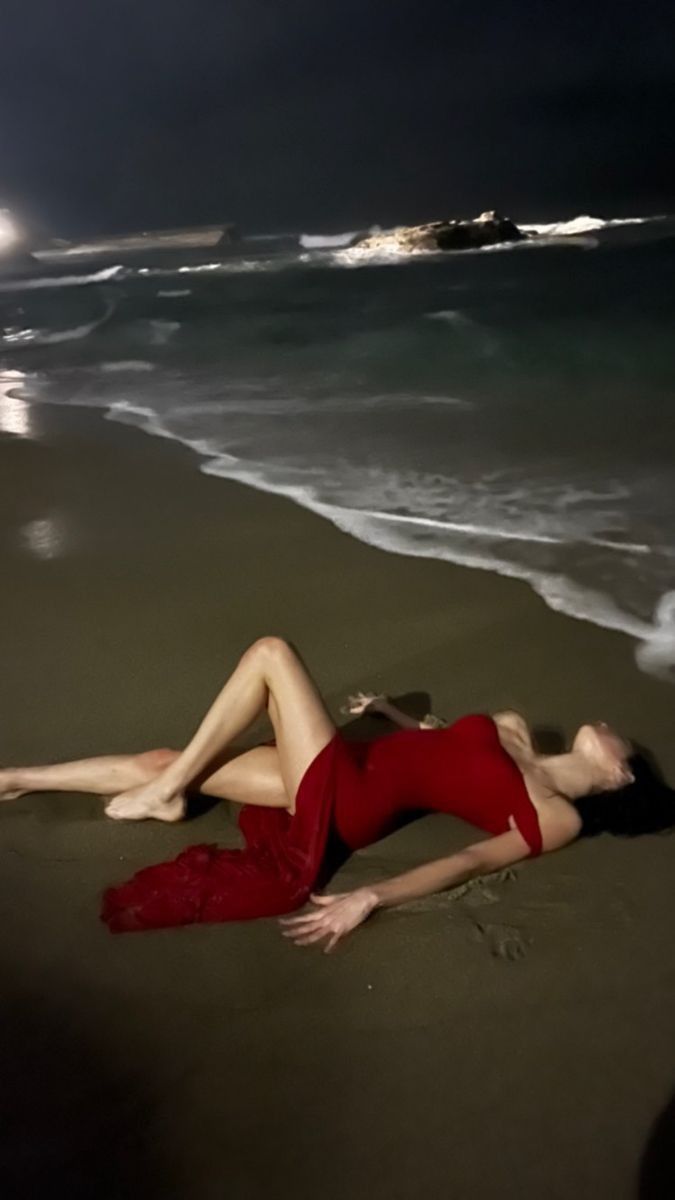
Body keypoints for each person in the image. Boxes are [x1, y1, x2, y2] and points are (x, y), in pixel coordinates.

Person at [0, 636, 668, 947]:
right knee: (165, 757)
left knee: (270, 654)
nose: (611, 729)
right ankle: (17, 779)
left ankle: (170, 792)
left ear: (619, 775)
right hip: (350, 758)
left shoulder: (558, 817)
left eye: (623, 744)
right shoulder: (512, 727)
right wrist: (392, 713)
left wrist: (371, 895)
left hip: (353, 798)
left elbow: (470, 861)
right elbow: (441, 744)